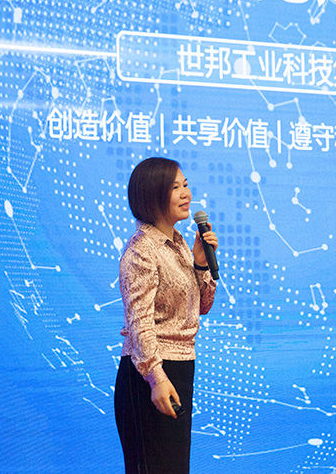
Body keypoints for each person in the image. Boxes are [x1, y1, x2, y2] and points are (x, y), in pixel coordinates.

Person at [114, 157, 218, 474]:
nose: (186, 193)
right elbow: (139, 322)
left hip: (181, 366)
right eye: (175, 188)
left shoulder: (180, 244)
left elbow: (202, 307)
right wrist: (156, 378)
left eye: (185, 185)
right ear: (152, 194)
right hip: (149, 373)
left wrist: (200, 264)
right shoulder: (142, 249)